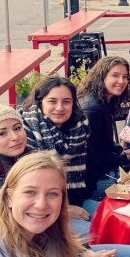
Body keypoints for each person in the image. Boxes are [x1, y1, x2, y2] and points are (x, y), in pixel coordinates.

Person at [19, 77, 94, 237]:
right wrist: (65, 210)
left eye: (66, 101)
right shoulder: (27, 131)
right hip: (43, 214)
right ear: (40, 102)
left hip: (76, 199)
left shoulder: (79, 125)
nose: (60, 108)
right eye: (52, 101)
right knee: (101, 232)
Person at [78, 56, 130, 197]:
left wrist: (120, 151)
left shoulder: (104, 100)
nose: (122, 81)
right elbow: (90, 158)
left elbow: (103, 143)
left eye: (125, 77)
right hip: (93, 183)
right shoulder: (92, 109)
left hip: (103, 171)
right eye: (115, 76)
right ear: (102, 77)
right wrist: (122, 158)